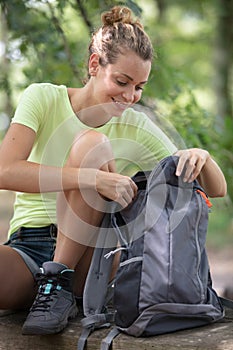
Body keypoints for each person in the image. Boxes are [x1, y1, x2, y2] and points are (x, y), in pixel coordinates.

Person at [0, 5, 227, 336]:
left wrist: (201, 156)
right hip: (27, 248)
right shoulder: (43, 98)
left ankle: (59, 280)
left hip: (90, 259)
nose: (130, 96)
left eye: (139, 87)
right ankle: (49, 290)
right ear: (95, 65)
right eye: (122, 81)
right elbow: (5, 171)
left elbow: (216, 189)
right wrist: (91, 178)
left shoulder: (137, 125)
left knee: (91, 143)